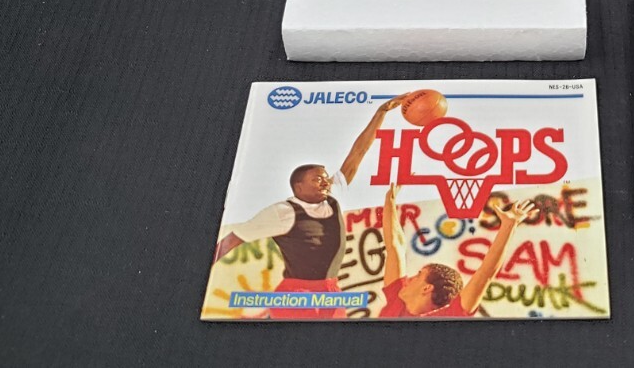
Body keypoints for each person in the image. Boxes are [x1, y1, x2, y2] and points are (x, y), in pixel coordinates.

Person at [213, 94, 413, 319]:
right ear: (298, 187)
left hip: (330, 292)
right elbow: (233, 238)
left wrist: (381, 113)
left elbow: (358, 152)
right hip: (297, 293)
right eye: (317, 179)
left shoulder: (331, 197)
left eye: (326, 178)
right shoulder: (282, 212)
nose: (326, 182)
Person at [377, 183, 538, 318]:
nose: (409, 278)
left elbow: (485, 274)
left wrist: (509, 225)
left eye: (419, 275)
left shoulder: (449, 317)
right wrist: (390, 199)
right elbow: (395, 246)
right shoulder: (397, 298)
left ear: (427, 288)